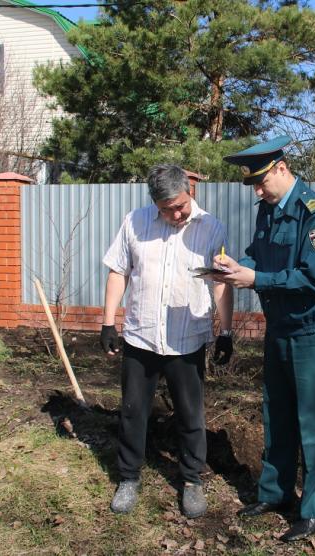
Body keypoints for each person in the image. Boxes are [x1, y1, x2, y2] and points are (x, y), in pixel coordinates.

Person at [209, 136, 315, 542]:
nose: (259, 191)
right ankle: (276, 494)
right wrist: (234, 266)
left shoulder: (313, 214)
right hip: (278, 330)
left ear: (281, 169)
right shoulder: (268, 211)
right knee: (277, 415)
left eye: (262, 182)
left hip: (309, 332)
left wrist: (256, 278)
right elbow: (257, 256)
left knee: (313, 424)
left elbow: (314, 280)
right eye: (254, 185)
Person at [100, 164, 234, 518]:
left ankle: (192, 481)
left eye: (180, 205)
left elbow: (221, 281)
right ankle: (128, 477)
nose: (175, 214)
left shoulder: (211, 227)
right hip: (141, 336)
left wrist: (226, 331)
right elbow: (118, 271)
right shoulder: (135, 223)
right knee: (132, 412)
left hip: (187, 340)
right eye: (166, 209)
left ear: (190, 190)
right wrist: (108, 322)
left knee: (190, 415)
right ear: (154, 204)